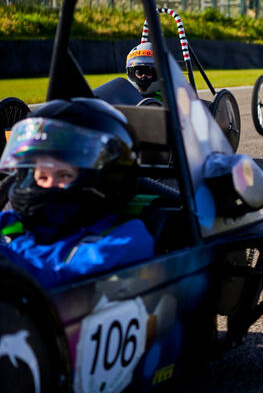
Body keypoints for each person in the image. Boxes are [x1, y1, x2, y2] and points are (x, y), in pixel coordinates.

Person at [0, 99, 154, 287]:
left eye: (64, 175)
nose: (49, 186)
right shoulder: (12, 222)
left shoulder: (124, 239)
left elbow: (64, 287)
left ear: (98, 180)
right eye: (42, 177)